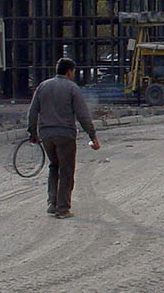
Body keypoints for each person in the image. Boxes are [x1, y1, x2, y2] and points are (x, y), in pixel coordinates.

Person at [27, 58, 100, 219]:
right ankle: (63, 208)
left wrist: (32, 133)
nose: (74, 74)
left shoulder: (43, 86)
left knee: (54, 167)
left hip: (46, 135)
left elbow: (32, 111)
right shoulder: (72, 88)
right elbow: (83, 115)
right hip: (65, 135)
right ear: (69, 71)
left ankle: (52, 203)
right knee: (66, 171)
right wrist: (92, 136)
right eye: (73, 71)